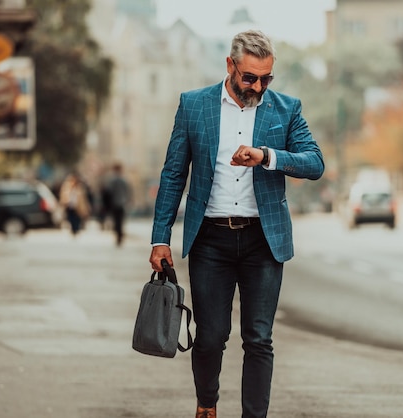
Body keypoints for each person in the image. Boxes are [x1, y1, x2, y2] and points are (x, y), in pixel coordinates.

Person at [149, 30, 324, 418]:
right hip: (211, 239)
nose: (258, 87)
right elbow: (173, 174)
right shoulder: (194, 106)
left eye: (266, 79)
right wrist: (160, 238)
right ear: (230, 66)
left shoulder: (286, 108)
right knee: (211, 338)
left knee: (259, 338)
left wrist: (266, 156)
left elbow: (315, 162)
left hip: (264, 240)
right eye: (249, 77)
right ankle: (207, 403)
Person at [104, 162, 132, 246]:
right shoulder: (123, 180)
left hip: (114, 203)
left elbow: (108, 192)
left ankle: (118, 235)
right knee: (120, 220)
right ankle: (119, 235)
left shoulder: (112, 180)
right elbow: (128, 192)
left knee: (116, 221)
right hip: (121, 203)